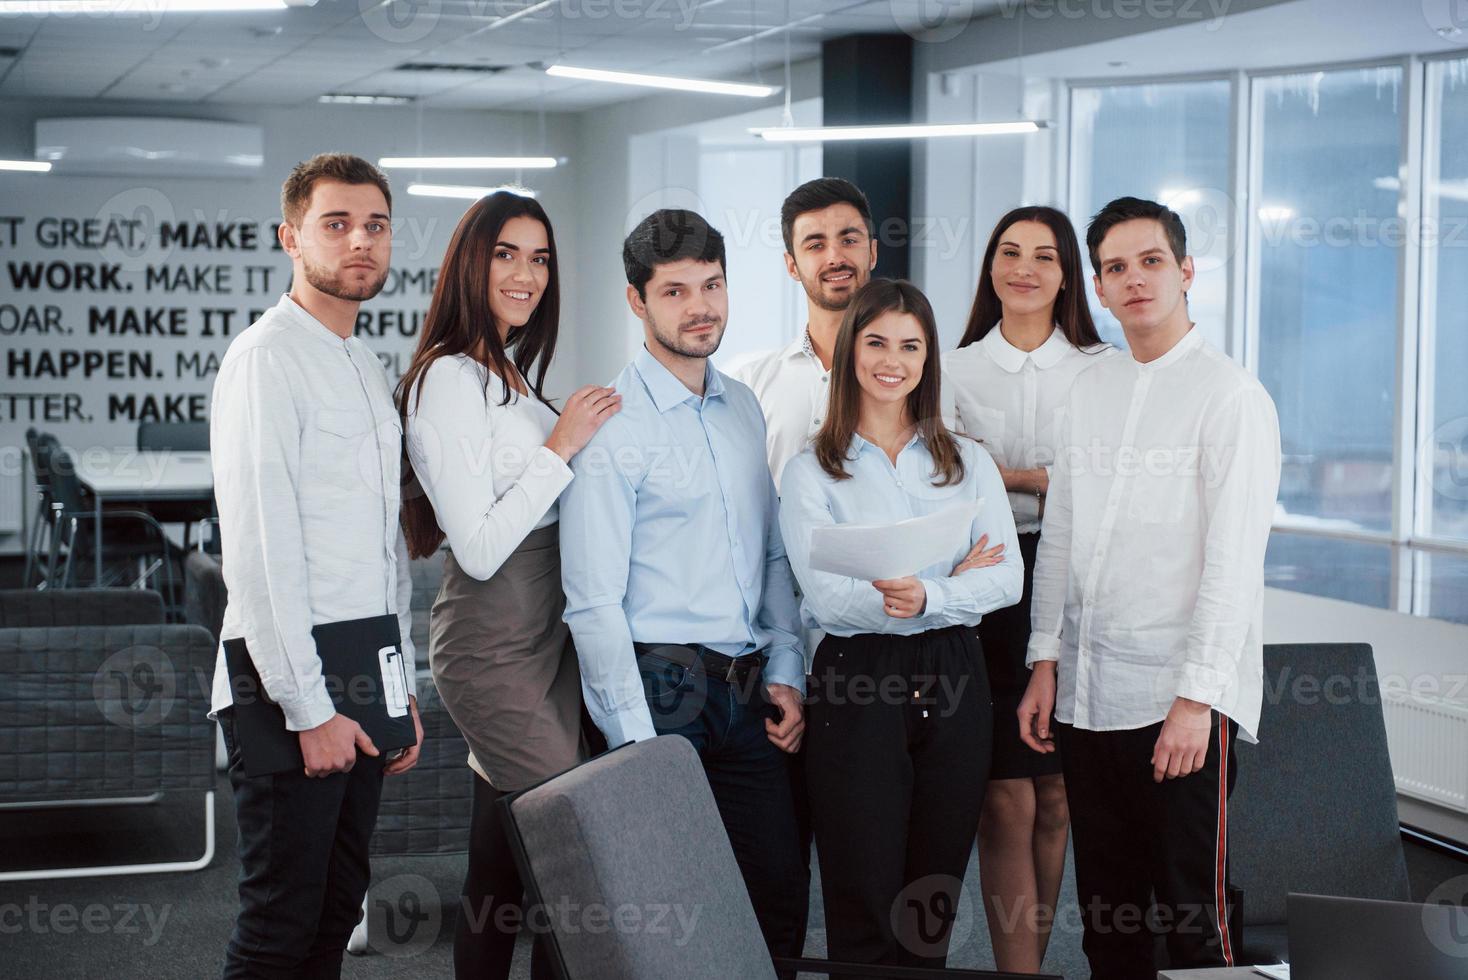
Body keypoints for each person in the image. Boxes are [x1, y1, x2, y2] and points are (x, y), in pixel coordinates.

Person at [1017, 196, 1281, 979]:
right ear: (1097, 287)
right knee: (1109, 922)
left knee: (1196, 925)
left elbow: (1234, 563)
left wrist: (1197, 699)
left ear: (1187, 271)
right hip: (1088, 695)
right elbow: (1059, 534)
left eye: (1152, 261)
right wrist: (1043, 660)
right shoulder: (1087, 391)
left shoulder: (1230, 397)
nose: (1134, 280)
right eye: (1116, 268)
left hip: (1179, 703)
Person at [558, 208, 809, 972]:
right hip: (660, 692)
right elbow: (592, 601)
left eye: (712, 285)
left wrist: (789, 669)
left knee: (778, 898)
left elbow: (770, 553)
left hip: (747, 687)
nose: (700, 307)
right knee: (674, 920)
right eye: (675, 291)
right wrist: (634, 743)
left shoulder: (743, 406)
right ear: (637, 302)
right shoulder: (612, 422)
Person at [209, 152, 424, 979]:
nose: (360, 241)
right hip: (283, 681)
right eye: (336, 224)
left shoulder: (363, 365)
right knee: (279, 923)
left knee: (336, 914)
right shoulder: (267, 358)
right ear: (290, 237)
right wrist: (308, 707)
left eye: (374, 225)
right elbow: (260, 553)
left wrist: (395, 685)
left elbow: (380, 551)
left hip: (362, 669)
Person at [395, 191, 620, 979]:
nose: (526, 273)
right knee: (570, 869)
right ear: (470, 262)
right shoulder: (447, 380)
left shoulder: (511, 375)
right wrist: (564, 443)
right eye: (506, 254)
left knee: (497, 871)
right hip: (494, 648)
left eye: (540, 257)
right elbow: (483, 548)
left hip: (548, 637)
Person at [779, 277, 1024, 976]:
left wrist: (926, 597)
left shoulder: (966, 462)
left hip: (954, 673)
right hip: (858, 679)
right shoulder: (811, 472)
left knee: (929, 899)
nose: (893, 359)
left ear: (928, 359)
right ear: (851, 349)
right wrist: (949, 584)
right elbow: (826, 599)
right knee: (862, 888)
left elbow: (1004, 581)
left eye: (910, 346)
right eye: (877, 341)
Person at [941, 205, 1114, 974]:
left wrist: (999, 471)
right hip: (990, 583)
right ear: (989, 268)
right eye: (1008, 252)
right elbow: (946, 480)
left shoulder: (1102, 369)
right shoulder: (952, 365)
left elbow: (1104, 488)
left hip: (1079, 584)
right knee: (1005, 797)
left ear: (1066, 274)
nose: (1024, 268)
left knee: (1057, 798)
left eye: (1044, 256)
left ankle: (1034, 965)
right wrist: (1047, 480)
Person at [729, 177, 879, 491]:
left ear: (873, 253)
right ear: (792, 266)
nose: (835, 257)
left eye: (849, 240)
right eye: (816, 245)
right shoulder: (749, 383)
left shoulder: (907, 376)